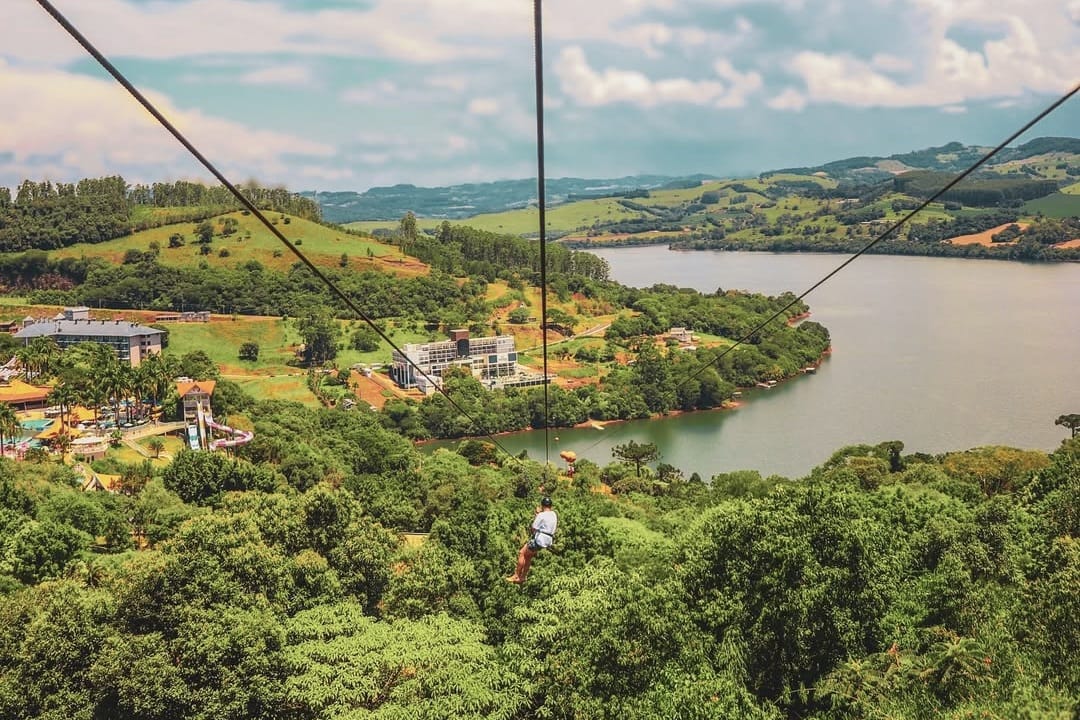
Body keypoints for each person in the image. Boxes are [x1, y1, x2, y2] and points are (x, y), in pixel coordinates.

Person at [506, 495, 557, 584]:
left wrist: (537, 515)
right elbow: (546, 521)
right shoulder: (553, 514)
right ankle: (523, 577)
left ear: (542, 505)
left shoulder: (541, 515)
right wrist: (538, 515)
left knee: (522, 553)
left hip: (539, 540)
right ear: (550, 506)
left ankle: (516, 575)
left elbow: (533, 528)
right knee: (528, 556)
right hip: (548, 540)